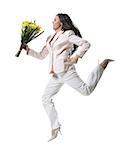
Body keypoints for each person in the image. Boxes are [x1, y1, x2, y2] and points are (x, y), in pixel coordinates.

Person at [23, 13, 114, 142]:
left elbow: (85, 44)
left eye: (55, 20)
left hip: (66, 71)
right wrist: (27, 50)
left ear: (61, 23)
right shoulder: (50, 38)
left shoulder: (68, 34)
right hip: (55, 75)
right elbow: (42, 55)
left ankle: (101, 66)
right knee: (45, 98)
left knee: (86, 91)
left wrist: (76, 56)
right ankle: (55, 127)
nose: (52, 22)